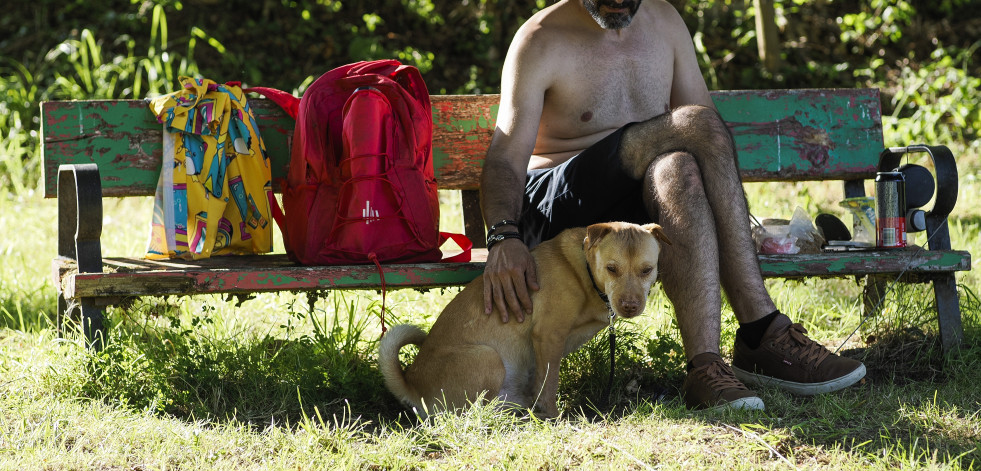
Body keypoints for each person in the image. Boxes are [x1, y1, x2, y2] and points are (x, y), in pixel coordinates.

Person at [478, 0, 866, 411]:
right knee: (696, 123)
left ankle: (705, 369)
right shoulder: (540, 39)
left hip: (637, 201)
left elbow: (705, 147)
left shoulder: (665, 22)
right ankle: (762, 330)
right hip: (562, 209)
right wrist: (503, 236)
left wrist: (721, 214)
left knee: (680, 168)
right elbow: (504, 157)